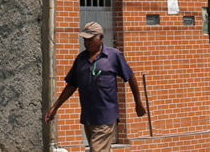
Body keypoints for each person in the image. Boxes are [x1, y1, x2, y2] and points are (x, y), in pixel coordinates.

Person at [45, 22, 145, 152]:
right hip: (88, 117)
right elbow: (71, 86)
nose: (87, 43)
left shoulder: (114, 56)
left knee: (96, 150)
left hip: (106, 116)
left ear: (101, 37)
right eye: (85, 39)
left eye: (90, 39)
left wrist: (138, 103)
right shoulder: (81, 59)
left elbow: (131, 78)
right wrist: (55, 107)